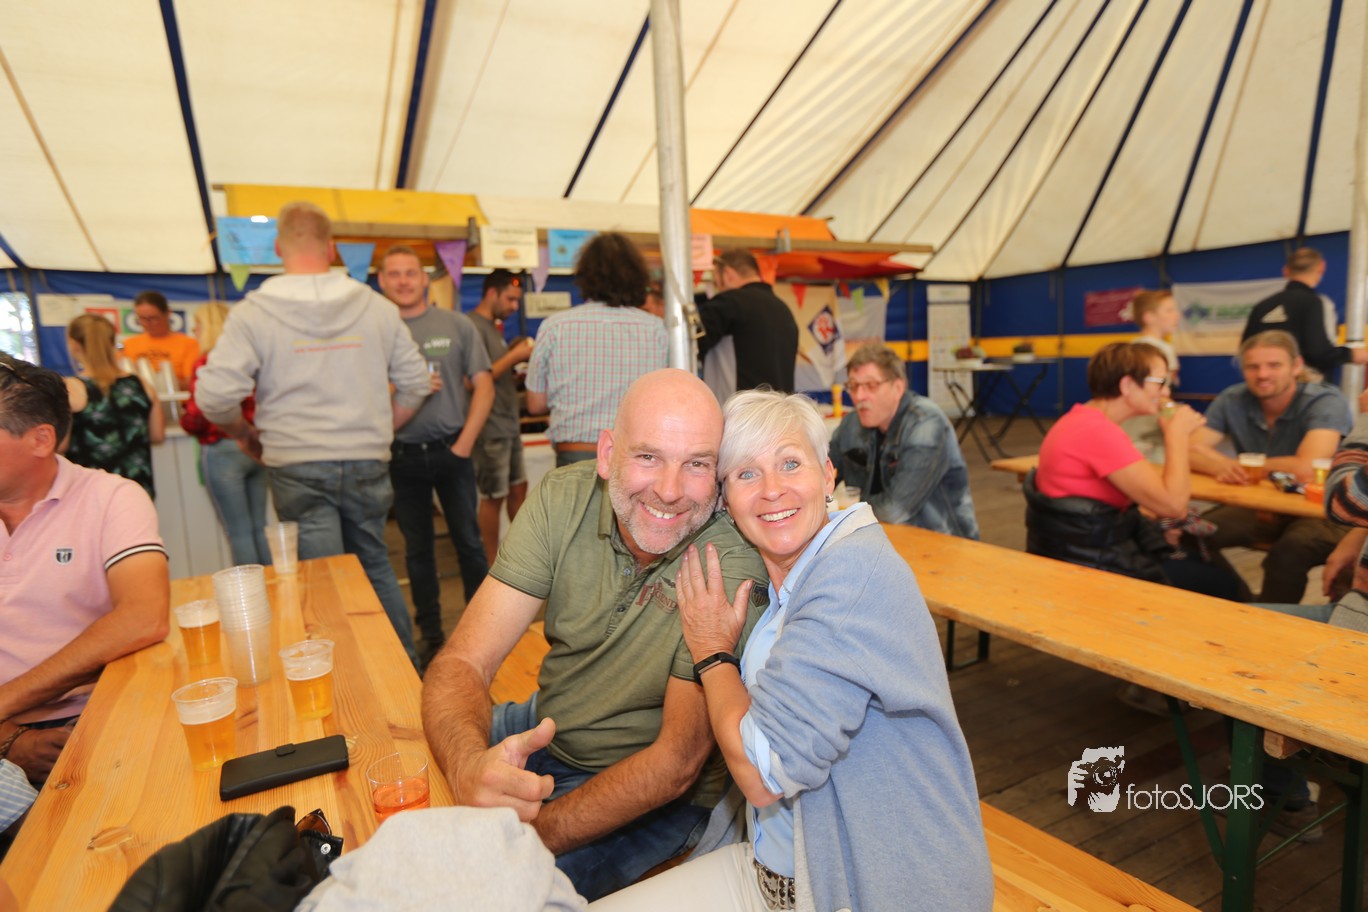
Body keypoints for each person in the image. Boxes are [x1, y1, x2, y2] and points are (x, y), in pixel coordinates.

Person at [589, 390, 993, 911]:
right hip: (776, 875)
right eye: (746, 474)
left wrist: (712, 653)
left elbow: (763, 775)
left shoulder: (851, 575)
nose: (772, 490)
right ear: (725, 500)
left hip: (873, 889)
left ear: (827, 475)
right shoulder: (794, 575)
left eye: (790, 464)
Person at [421, 369, 769, 901]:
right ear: (607, 455)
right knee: (402, 784)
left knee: (489, 892)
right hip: (550, 725)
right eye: (648, 456)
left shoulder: (730, 560)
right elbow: (464, 662)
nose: (670, 490)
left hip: (651, 797)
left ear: (718, 477)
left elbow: (675, 765)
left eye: (697, 464)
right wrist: (468, 767)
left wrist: (525, 837)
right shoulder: (563, 498)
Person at [195, 202, 431, 668]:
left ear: (278, 247)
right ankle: (402, 670)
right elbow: (417, 383)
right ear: (332, 248)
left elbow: (214, 396)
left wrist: (244, 434)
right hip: (366, 459)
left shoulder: (254, 312)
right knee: (375, 564)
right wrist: (382, 428)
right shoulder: (377, 308)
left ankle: (345, 678)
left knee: (323, 577)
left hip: (296, 462)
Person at [0, 354, 169, 788]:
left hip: (100, 715)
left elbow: (144, 616)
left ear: (41, 439)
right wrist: (8, 738)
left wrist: (6, 702)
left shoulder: (111, 497)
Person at [1027, 342, 1239, 599]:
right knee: (1223, 585)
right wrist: (1177, 436)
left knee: (1202, 563)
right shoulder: (1099, 432)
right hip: (1096, 566)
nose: (1166, 392)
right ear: (1127, 385)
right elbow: (1174, 506)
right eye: (1160, 383)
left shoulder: (1080, 420)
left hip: (1076, 550)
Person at [378, 245, 494, 666]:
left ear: (425, 279)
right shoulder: (376, 330)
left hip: (452, 452)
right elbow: (363, 395)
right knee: (417, 551)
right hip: (401, 456)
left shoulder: (456, 324)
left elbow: (485, 386)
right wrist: (401, 388)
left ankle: (485, 633)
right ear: (381, 281)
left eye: (411, 272)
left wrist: (464, 443)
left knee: (469, 543)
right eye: (394, 274)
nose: (403, 281)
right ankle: (431, 636)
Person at [1188, 331, 1352, 602]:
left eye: (1274, 365)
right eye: (1253, 366)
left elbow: (1306, 467)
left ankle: (1268, 621)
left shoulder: (1325, 400)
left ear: (1296, 366)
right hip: (1261, 504)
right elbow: (1188, 449)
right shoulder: (1232, 398)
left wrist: (1235, 464)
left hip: (1317, 509)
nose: (1262, 374)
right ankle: (1243, 605)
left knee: (1288, 553)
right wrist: (1220, 467)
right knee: (1190, 534)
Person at [525, 232, 668, 467]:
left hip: (573, 454)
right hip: (632, 455)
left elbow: (535, 404)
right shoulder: (656, 330)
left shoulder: (555, 327)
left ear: (585, 276)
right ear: (636, 277)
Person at [828, 343, 978, 537]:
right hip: (878, 536)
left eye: (871, 386)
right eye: (853, 386)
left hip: (943, 541)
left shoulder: (926, 424)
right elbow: (822, 476)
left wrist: (846, 507)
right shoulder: (851, 424)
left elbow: (894, 510)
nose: (859, 396)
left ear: (898, 388)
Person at [179, 302, 271, 566]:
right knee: (260, 527)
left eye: (197, 326)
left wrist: (186, 416)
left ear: (207, 328)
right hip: (257, 447)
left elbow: (197, 417)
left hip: (222, 449)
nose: (194, 332)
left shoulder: (208, 364)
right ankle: (273, 584)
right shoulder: (252, 361)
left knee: (239, 532)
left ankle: (250, 590)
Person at [469, 269, 535, 566]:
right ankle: (490, 565)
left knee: (519, 489)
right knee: (493, 496)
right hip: (489, 428)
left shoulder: (493, 328)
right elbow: (472, 380)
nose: (514, 307)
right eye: (509, 299)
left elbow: (495, 371)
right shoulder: (472, 326)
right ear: (491, 293)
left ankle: (520, 559)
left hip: (508, 425)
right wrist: (515, 356)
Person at [63, 313, 165, 498]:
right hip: (137, 490)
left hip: (92, 493)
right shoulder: (141, 384)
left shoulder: (71, 389)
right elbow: (157, 434)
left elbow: (61, 445)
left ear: (74, 344)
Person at [1241, 247, 1368, 379]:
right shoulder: (1316, 302)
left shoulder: (1262, 306)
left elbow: (1246, 350)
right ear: (1322, 267)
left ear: (1285, 271)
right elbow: (1319, 353)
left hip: (1266, 384)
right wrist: (1350, 354)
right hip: (1306, 384)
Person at [698, 250, 799, 400]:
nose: (718, 287)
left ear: (728, 274)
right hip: (779, 407)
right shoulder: (783, 309)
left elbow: (689, 347)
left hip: (740, 408)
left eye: (716, 281)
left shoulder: (727, 303)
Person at [1125, 289, 1183, 459]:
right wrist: (1176, 417)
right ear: (1149, 317)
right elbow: (1162, 396)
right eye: (1169, 310)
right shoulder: (1158, 350)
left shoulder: (1134, 346)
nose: (1177, 315)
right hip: (1147, 427)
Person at [119, 291, 200, 388]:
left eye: (153, 318)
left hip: (175, 396)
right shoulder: (127, 344)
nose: (147, 323)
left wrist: (160, 382)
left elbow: (191, 383)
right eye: (142, 318)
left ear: (167, 313)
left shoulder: (189, 343)